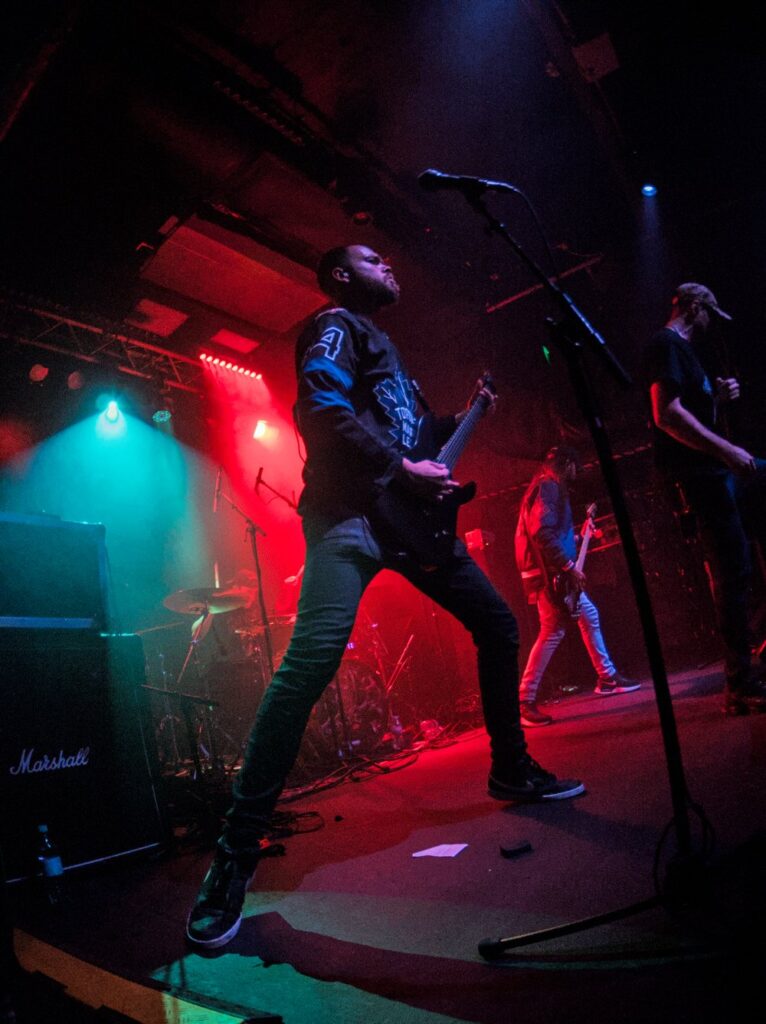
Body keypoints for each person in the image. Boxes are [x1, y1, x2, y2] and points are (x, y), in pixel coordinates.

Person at [186, 244, 585, 948]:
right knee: (307, 667)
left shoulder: (391, 355)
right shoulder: (335, 324)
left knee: (498, 626)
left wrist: (467, 417)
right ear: (342, 275)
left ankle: (511, 768)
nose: (391, 265)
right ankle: (234, 856)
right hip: (350, 520)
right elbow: (322, 410)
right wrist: (402, 466)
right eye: (374, 259)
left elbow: (413, 437)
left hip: (410, 526)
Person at [644, 281, 766, 715]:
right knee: (731, 571)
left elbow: (688, 408)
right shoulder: (667, 345)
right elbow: (666, 414)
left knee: (740, 564)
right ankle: (740, 684)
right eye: (711, 315)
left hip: (714, 473)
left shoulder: (686, 353)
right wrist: (729, 451)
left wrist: (716, 393)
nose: (713, 325)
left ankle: (753, 655)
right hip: (700, 477)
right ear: (695, 307)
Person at [514, 446, 640, 726]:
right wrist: (568, 566)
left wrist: (577, 539)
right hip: (549, 575)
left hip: (548, 572)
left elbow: (549, 533)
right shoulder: (549, 487)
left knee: (588, 616)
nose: (576, 472)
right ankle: (524, 700)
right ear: (567, 464)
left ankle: (607, 678)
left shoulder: (542, 486)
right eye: (574, 466)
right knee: (552, 631)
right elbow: (541, 532)